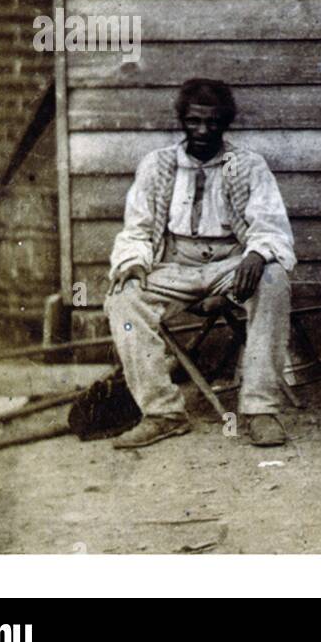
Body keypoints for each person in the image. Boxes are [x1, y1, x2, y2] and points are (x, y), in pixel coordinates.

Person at [104, 79, 295, 448]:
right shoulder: (157, 165)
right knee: (122, 297)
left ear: (226, 123)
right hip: (174, 264)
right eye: (194, 122)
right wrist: (132, 263)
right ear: (182, 121)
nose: (203, 131)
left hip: (229, 263)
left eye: (213, 122)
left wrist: (256, 255)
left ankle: (260, 409)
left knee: (273, 279)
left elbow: (270, 225)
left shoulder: (248, 165)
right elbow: (138, 228)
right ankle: (163, 412)